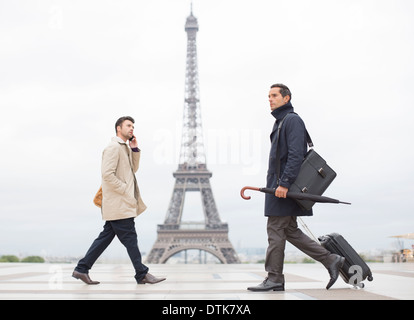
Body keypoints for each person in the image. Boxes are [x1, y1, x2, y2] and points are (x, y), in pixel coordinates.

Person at [247, 84, 344, 292]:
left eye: (274, 95)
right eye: (268, 96)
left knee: (275, 230)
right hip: (278, 186)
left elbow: (295, 155)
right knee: (289, 231)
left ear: (286, 98)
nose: (270, 99)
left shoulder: (292, 120)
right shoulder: (282, 121)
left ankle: (274, 278)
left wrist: (283, 183)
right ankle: (330, 259)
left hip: (282, 187)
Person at [72, 116, 166, 285]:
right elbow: (107, 175)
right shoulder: (113, 148)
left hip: (121, 203)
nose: (132, 129)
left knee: (106, 237)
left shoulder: (125, 148)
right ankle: (142, 273)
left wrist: (135, 149)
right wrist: (125, 190)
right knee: (130, 238)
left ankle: (81, 269)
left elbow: (133, 169)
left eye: (133, 126)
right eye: (128, 126)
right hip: (119, 203)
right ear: (118, 128)